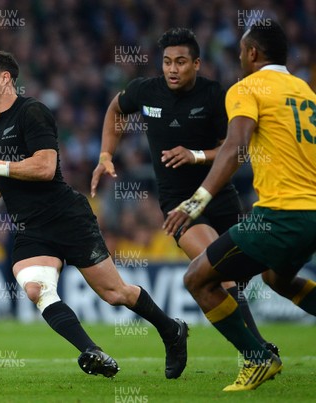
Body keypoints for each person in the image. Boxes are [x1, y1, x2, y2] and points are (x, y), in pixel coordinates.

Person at [0, 51, 188, 379]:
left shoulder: (32, 112)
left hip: (66, 217)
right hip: (30, 227)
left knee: (114, 293)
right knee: (37, 289)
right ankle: (92, 351)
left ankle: (171, 330)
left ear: (5, 79)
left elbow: (45, 168)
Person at [91, 27, 275, 354]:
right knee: (216, 270)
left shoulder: (216, 96)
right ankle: (258, 350)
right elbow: (115, 110)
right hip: (179, 205)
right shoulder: (145, 92)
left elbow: (235, 150)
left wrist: (195, 155)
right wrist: (106, 154)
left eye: (180, 62)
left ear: (197, 64)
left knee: (265, 274)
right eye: (167, 62)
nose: (173, 69)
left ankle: (253, 349)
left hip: (220, 196)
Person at [163, 20, 316, 391]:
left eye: (240, 54)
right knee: (276, 278)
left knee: (197, 277)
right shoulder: (305, 91)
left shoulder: (247, 88)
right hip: (312, 216)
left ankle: (259, 357)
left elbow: (236, 147)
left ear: (252, 54)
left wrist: (196, 202)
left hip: (280, 216)